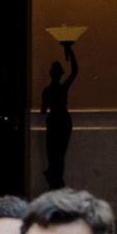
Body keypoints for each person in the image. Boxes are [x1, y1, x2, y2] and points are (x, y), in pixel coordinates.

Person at [40, 40, 78, 189]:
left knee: (53, 155)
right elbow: (75, 71)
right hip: (62, 120)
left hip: (55, 121)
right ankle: (56, 180)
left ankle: (54, 179)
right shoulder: (62, 88)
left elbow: (43, 110)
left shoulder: (47, 91)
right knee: (59, 155)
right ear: (60, 73)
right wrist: (71, 52)